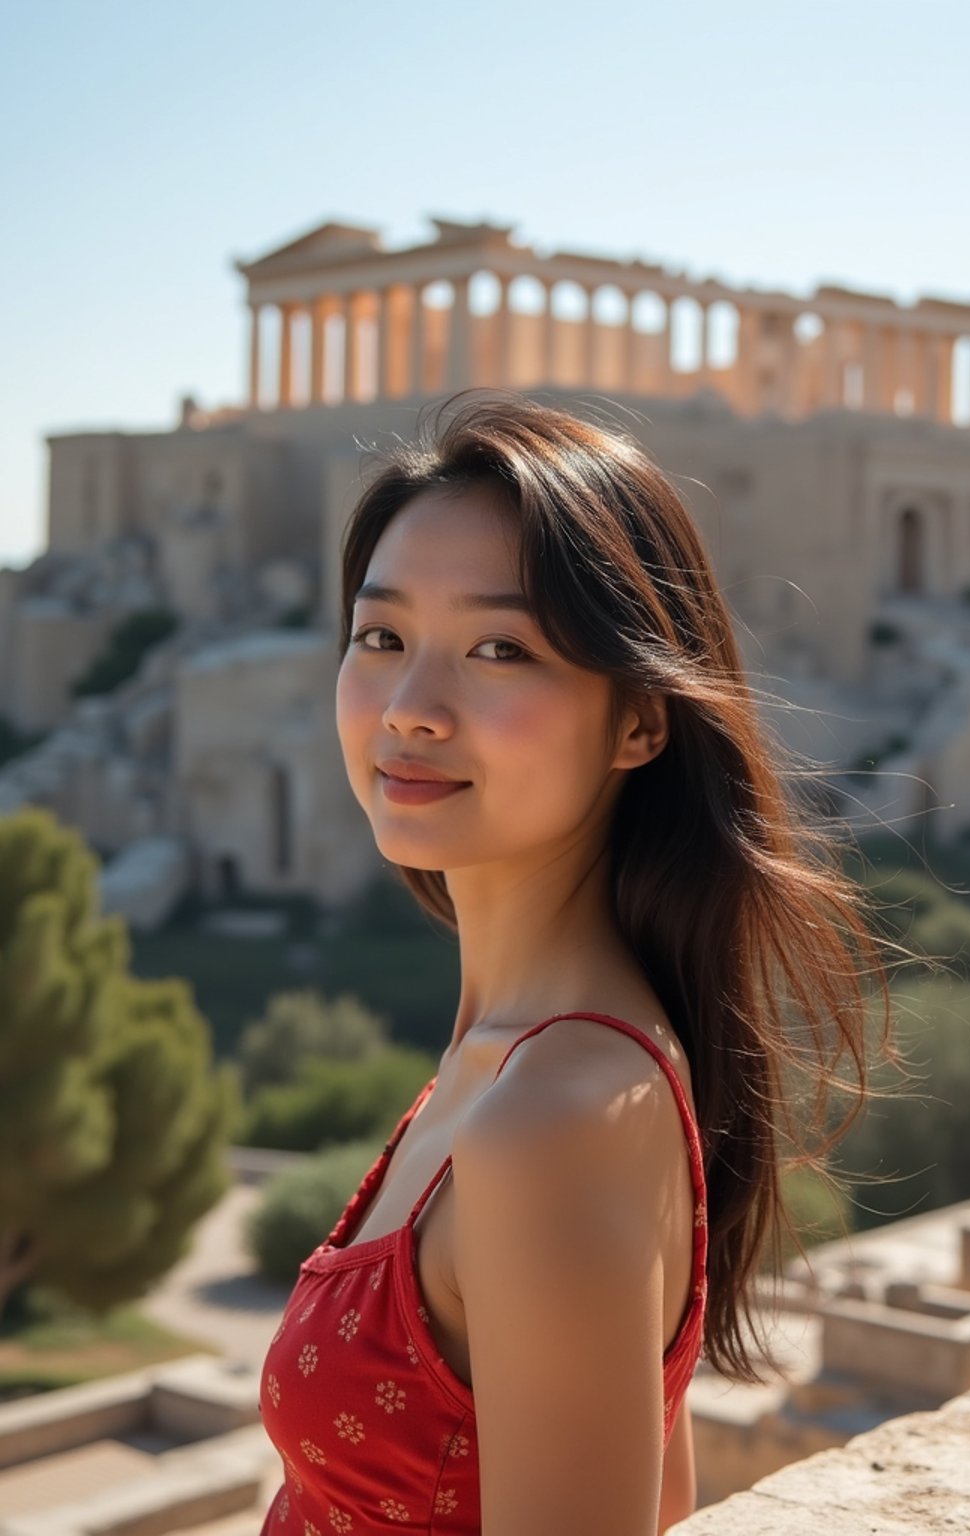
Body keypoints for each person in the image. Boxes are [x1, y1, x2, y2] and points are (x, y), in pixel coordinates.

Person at [257, 392, 893, 1536]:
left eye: (500, 649)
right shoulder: (525, 1063)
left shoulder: (551, 1119)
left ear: (639, 722)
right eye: (380, 636)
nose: (409, 709)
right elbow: (664, 1493)